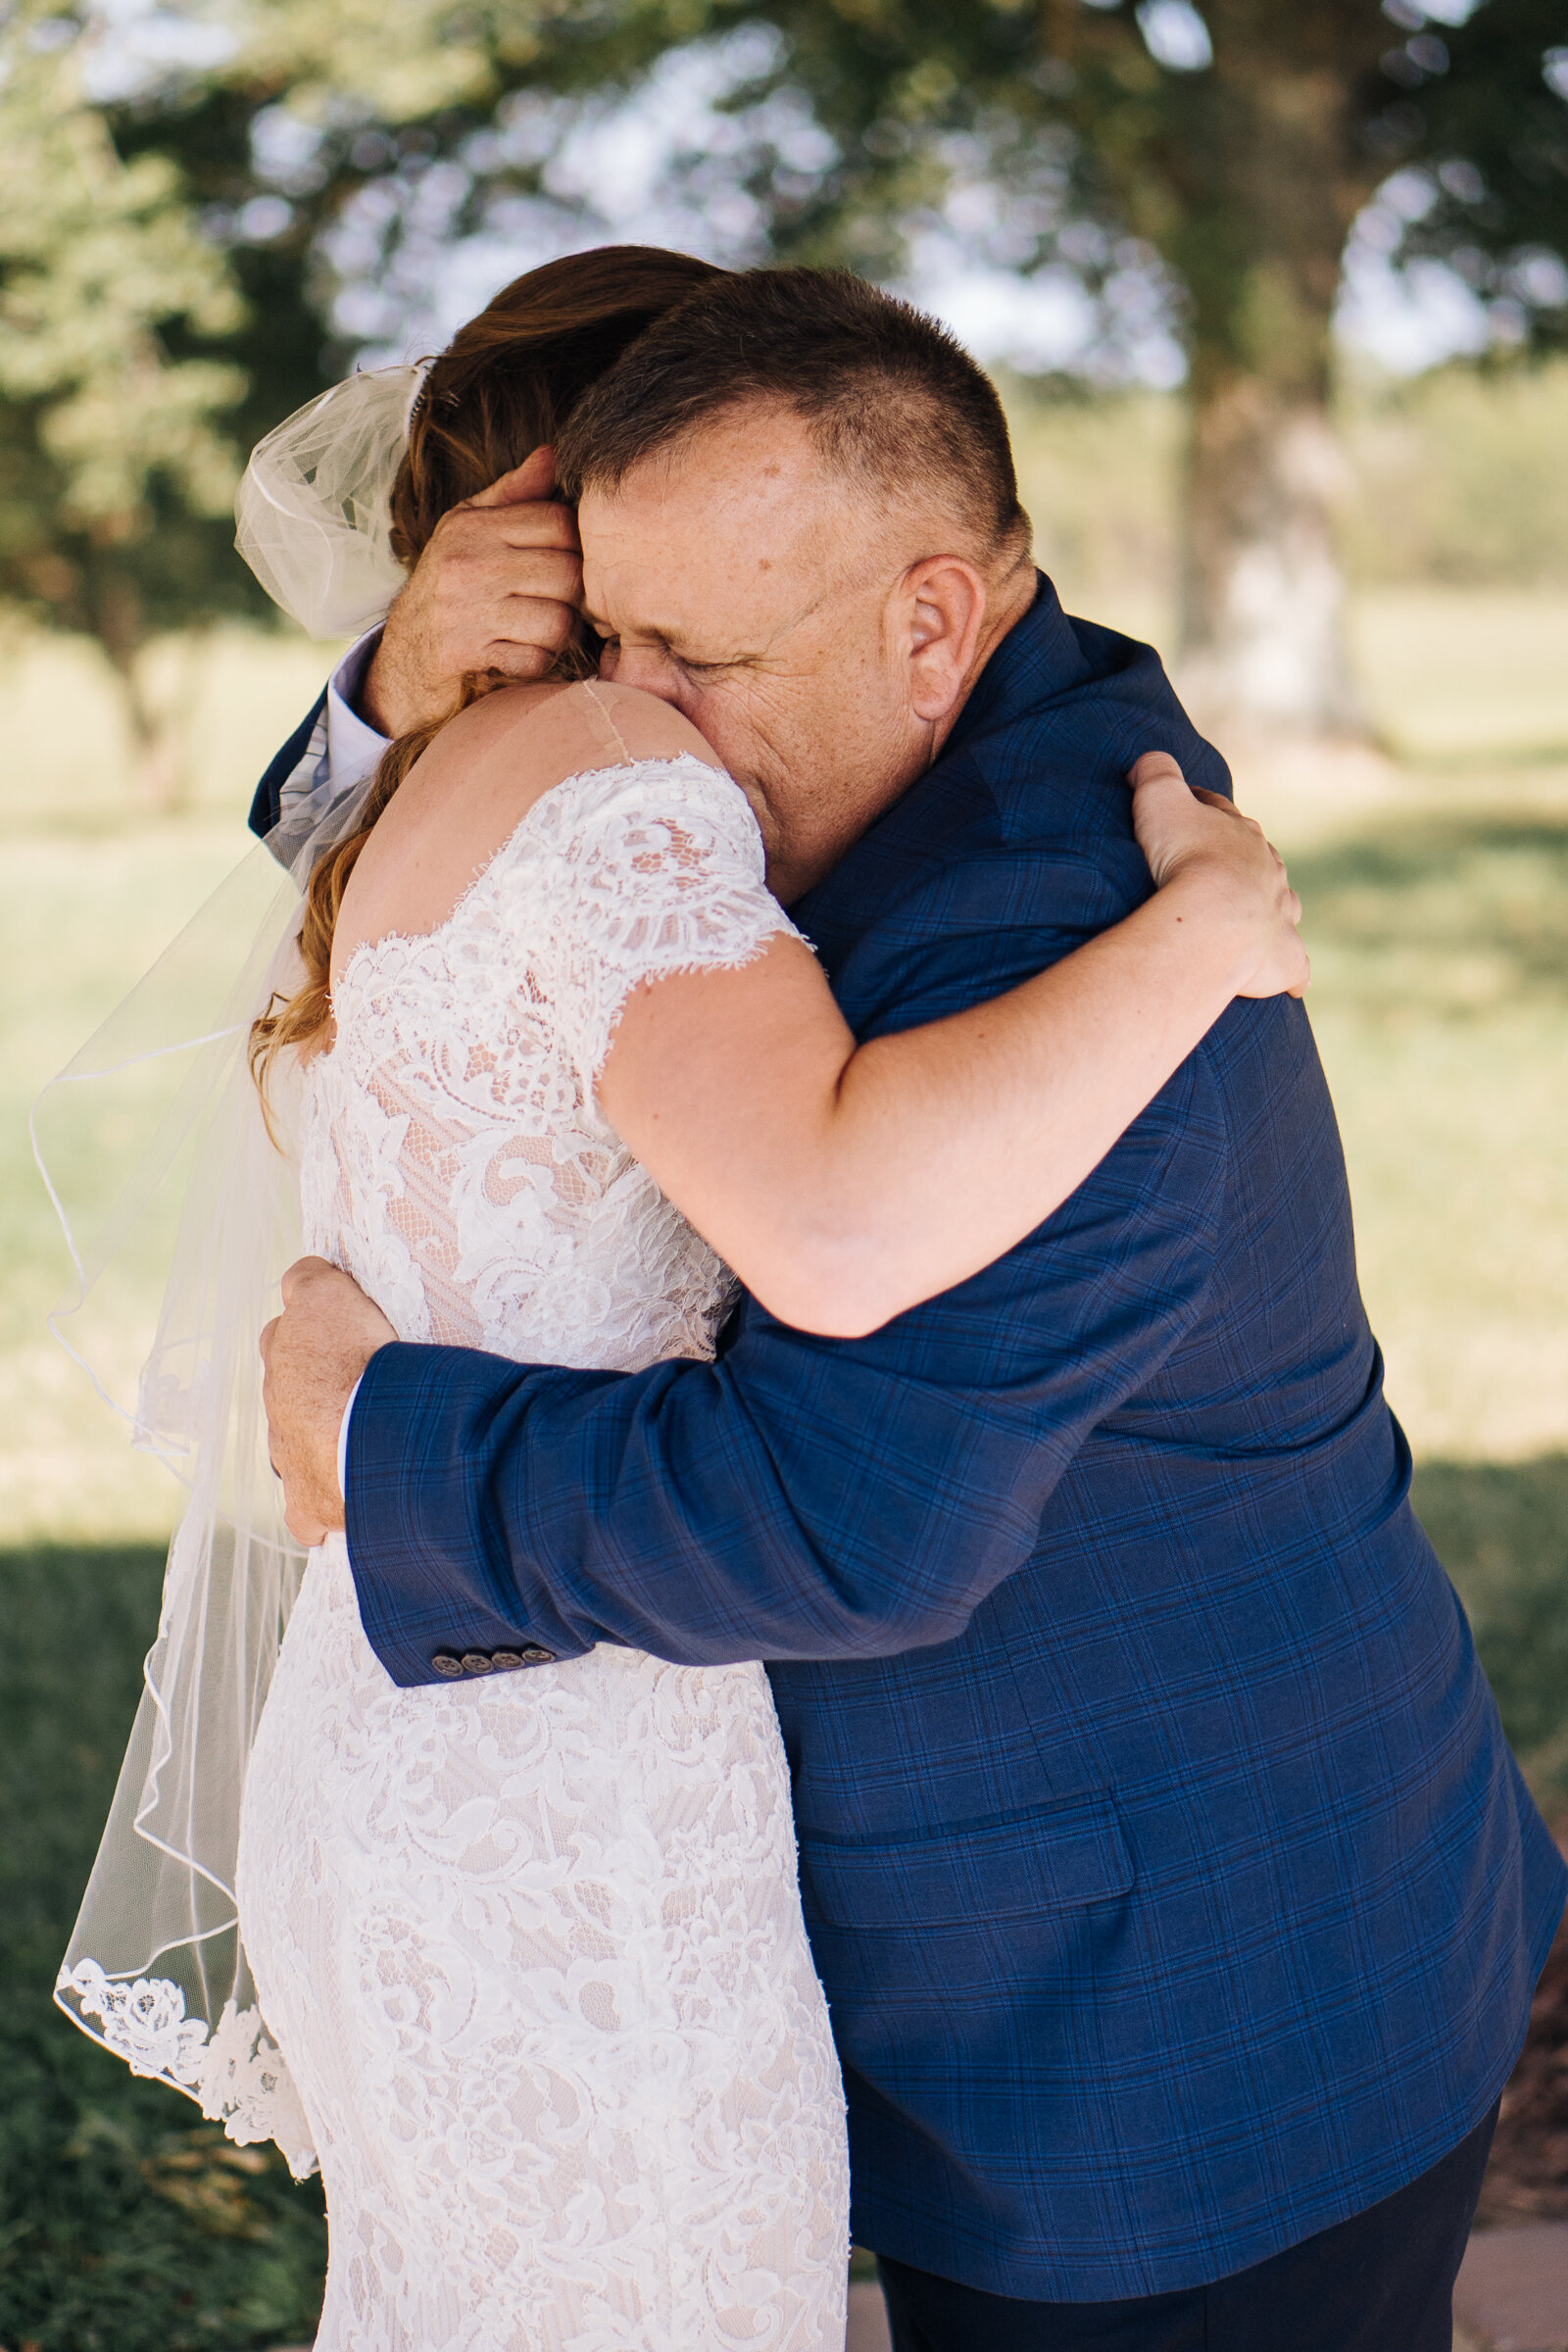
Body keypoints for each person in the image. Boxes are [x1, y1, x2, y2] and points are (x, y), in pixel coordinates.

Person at [257, 261, 1565, 2352]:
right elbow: (458, 896)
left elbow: (846, 1518)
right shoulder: (817, 746)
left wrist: (369, 1439)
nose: (618, 730)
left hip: (1177, 2026)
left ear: (929, 616)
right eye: (596, 640)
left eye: (690, 655)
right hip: (1008, 1927)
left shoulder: (1055, 945)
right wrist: (401, 693)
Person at [51, 247, 1309, 2352]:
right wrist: (1217, 935)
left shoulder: (897, 821)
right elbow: (813, 1227)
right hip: (567, 1778)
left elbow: (850, 1473)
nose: (665, 694)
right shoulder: (592, 765)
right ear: (550, 541)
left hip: (441, 1741)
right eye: (622, 612)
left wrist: (375, 1439)